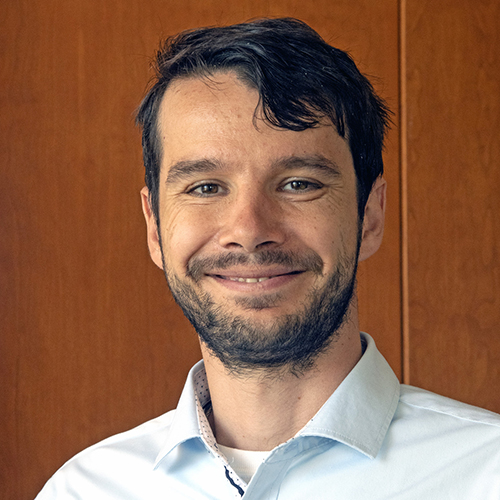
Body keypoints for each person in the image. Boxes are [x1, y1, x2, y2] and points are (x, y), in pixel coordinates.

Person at [36, 18, 500, 499]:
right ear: (154, 225)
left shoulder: (488, 473)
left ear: (370, 216)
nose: (250, 231)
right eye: (205, 187)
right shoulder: (81, 490)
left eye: (299, 183)